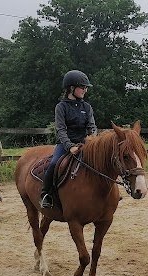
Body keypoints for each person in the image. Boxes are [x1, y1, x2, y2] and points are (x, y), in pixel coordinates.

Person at [40, 70, 98, 209]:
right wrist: (69, 146)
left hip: (85, 144)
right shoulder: (61, 107)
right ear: (71, 88)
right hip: (65, 144)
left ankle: (106, 194)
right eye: (82, 87)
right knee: (53, 164)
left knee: (101, 162)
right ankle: (46, 194)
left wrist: (93, 140)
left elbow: (92, 126)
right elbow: (60, 129)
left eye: (86, 87)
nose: (85, 90)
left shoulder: (87, 107)